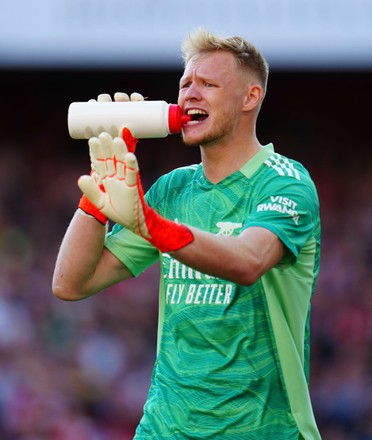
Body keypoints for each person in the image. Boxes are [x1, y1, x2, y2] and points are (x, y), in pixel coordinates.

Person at [53, 27, 321, 439]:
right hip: (165, 428)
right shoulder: (173, 188)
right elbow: (71, 283)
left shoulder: (286, 183)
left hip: (264, 429)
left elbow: (248, 261)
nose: (190, 94)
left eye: (208, 84)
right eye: (185, 84)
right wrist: (98, 191)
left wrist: (149, 226)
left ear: (250, 97)